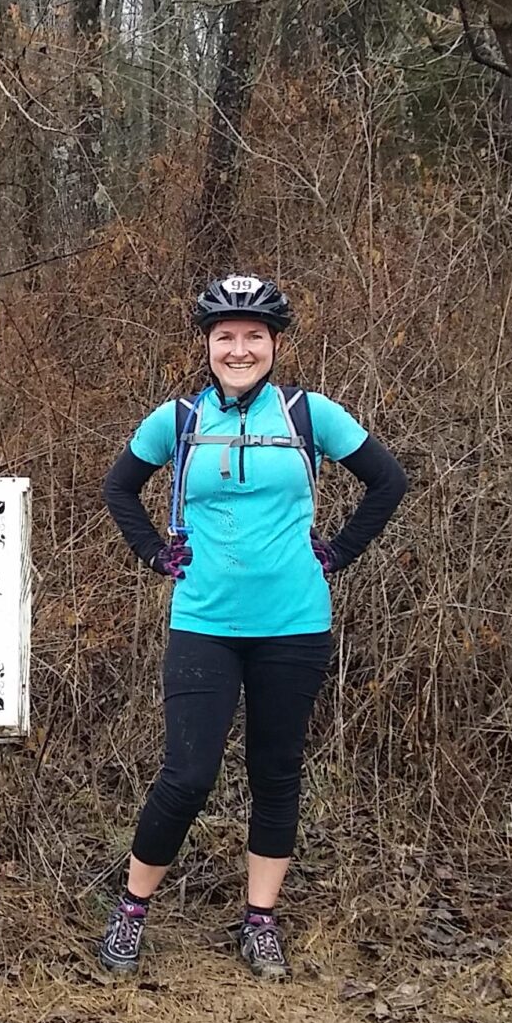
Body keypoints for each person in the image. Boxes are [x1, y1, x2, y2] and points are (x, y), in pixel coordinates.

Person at [96, 274, 407, 980]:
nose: (240, 349)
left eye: (254, 337)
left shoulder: (309, 416)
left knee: (276, 772)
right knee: (188, 774)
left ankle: (259, 920)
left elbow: (387, 481)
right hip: (204, 620)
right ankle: (132, 909)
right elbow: (118, 488)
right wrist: (152, 550)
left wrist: (338, 551)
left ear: (275, 345)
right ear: (207, 346)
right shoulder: (177, 420)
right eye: (225, 337)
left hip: (293, 623)